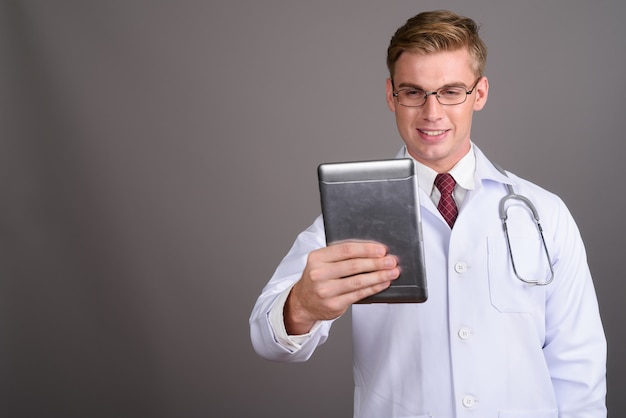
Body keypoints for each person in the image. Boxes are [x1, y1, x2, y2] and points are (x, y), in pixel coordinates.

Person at [250, 10, 606, 418]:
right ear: (391, 96)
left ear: (480, 93)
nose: (432, 112)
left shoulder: (545, 213)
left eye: (451, 91)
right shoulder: (352, 215)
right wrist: (302, 305)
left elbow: (579, 364)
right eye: (414, 92)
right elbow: (265, 335)